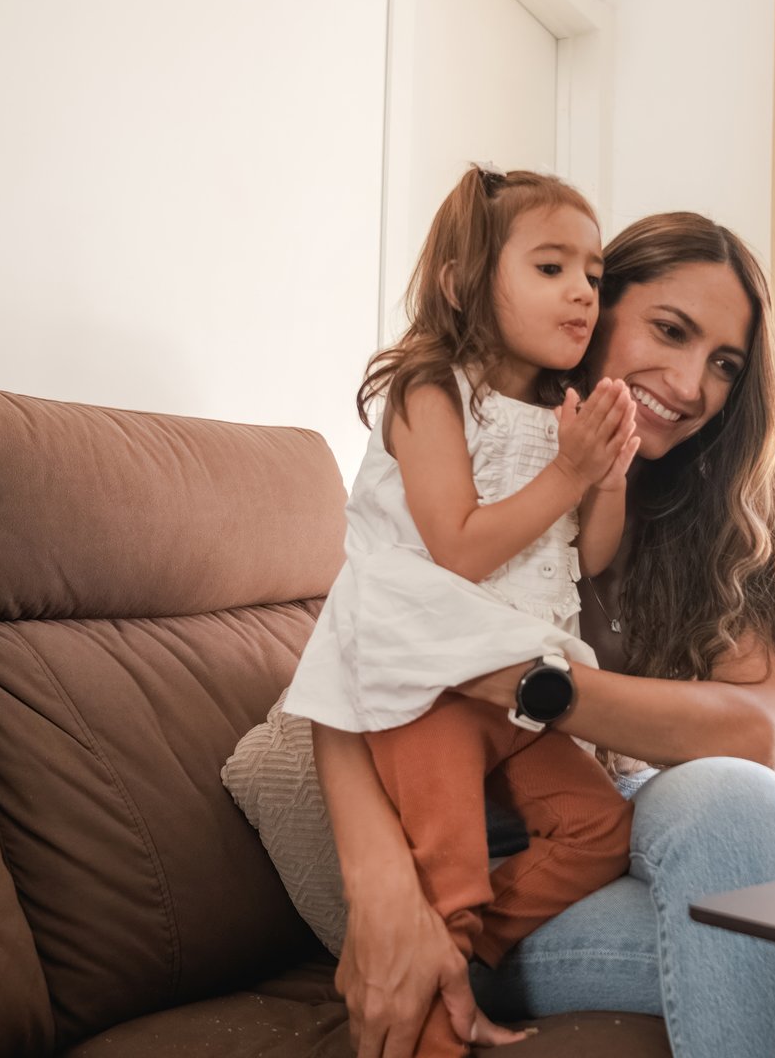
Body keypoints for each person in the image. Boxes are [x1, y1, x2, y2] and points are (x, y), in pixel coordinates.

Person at [311, 211, 775, 1058]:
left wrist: (538, 683)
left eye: (724, 365)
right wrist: (384, 890)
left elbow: (752, 731)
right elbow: (354, 648)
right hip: (461, 847)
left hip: (593, 819)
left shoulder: (720, 512)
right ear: (592, 313)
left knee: (738, 798)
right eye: (669, 331)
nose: (688, 385)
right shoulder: (469, 432)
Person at [282, 165, 647, 1057]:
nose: (582, 294)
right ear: (464, 282)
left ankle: (454, 956)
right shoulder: (429, 390)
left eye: (594, 275)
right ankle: (439, 1009)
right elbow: (457, 546)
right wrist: (568, 472)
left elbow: (588, 560)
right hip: (426, 676)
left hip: (516, 671)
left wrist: (609, 477)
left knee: (603, 829)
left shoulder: (557, 409)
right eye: (552, 268)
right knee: (452, 869)